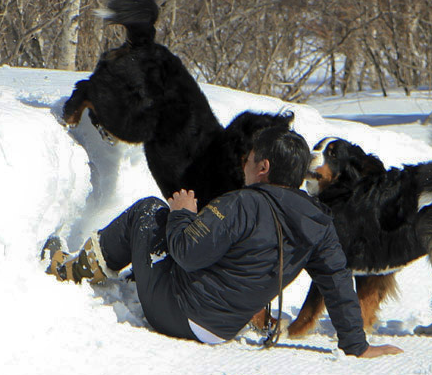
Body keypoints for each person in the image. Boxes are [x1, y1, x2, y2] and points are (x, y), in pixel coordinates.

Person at [46, 125, 401, 359]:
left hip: (179, 315)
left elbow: (186, 253)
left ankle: (72, 268)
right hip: (222, 329)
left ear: (262, 167)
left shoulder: (241, 203)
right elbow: (337, 281)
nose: (243, 166)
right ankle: (126, 273)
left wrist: (183, 213)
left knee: (149, 210)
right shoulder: (319, 222)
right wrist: (357, 345)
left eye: (247, 160)